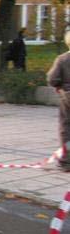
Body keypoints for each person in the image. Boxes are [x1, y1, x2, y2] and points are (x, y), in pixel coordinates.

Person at [47, 30, 70, 172]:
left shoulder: (62, 59)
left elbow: (52, 79)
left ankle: (66, 161)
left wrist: (59, 86)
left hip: (67, 98)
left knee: (66, 129)